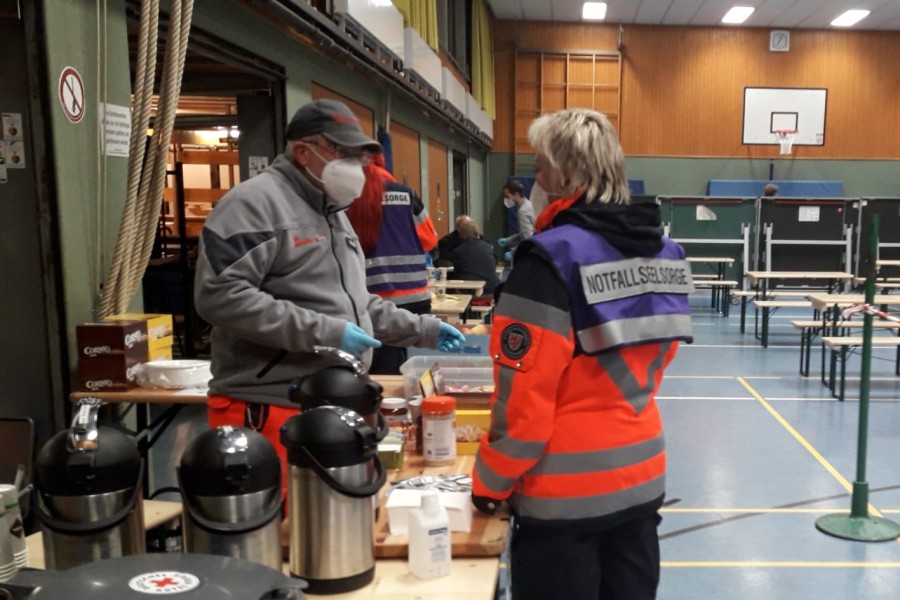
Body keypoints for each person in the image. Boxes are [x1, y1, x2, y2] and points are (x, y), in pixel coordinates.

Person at [471, 108, 693, 600]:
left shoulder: (550, 259)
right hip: (642, 476)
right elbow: (654, 363)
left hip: (563, 497)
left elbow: (524, 405)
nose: (536, 180)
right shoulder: (668, 254)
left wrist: (489, 485)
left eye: (540, 168)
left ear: (565, 175)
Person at [194, 98, 464, 489]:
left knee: (327, 530)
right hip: (268, 406)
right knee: (282, 536)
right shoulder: (254, 204)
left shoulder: (333, 210)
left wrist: (424, 329)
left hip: (327, 406)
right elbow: (220, 296)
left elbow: (356, 304)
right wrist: (328, 333)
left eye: (359, 156)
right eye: (343, 152)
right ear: (304, 151)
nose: (356, 166)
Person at [346, 154, 438, 373]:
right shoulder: (406, 195)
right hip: (415, 295)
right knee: (416, 369)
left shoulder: (348, 197)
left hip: (374, 300)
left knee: (381, 372)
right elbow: (430, 238)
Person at [448, 216, 501, 297]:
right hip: (493, 289)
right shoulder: (488, 247)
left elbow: (457, 273)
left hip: (469, 292)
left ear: (461, 235)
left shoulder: (458, 251)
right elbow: (494, 263)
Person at [498, 180, 535, 262]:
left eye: (507, 196)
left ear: (516, 195)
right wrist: (509, 240)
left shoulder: (523, 212)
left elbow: (527, 238)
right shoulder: (529, 205)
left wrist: (513, 252)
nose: (506, 200)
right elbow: (525, 232)